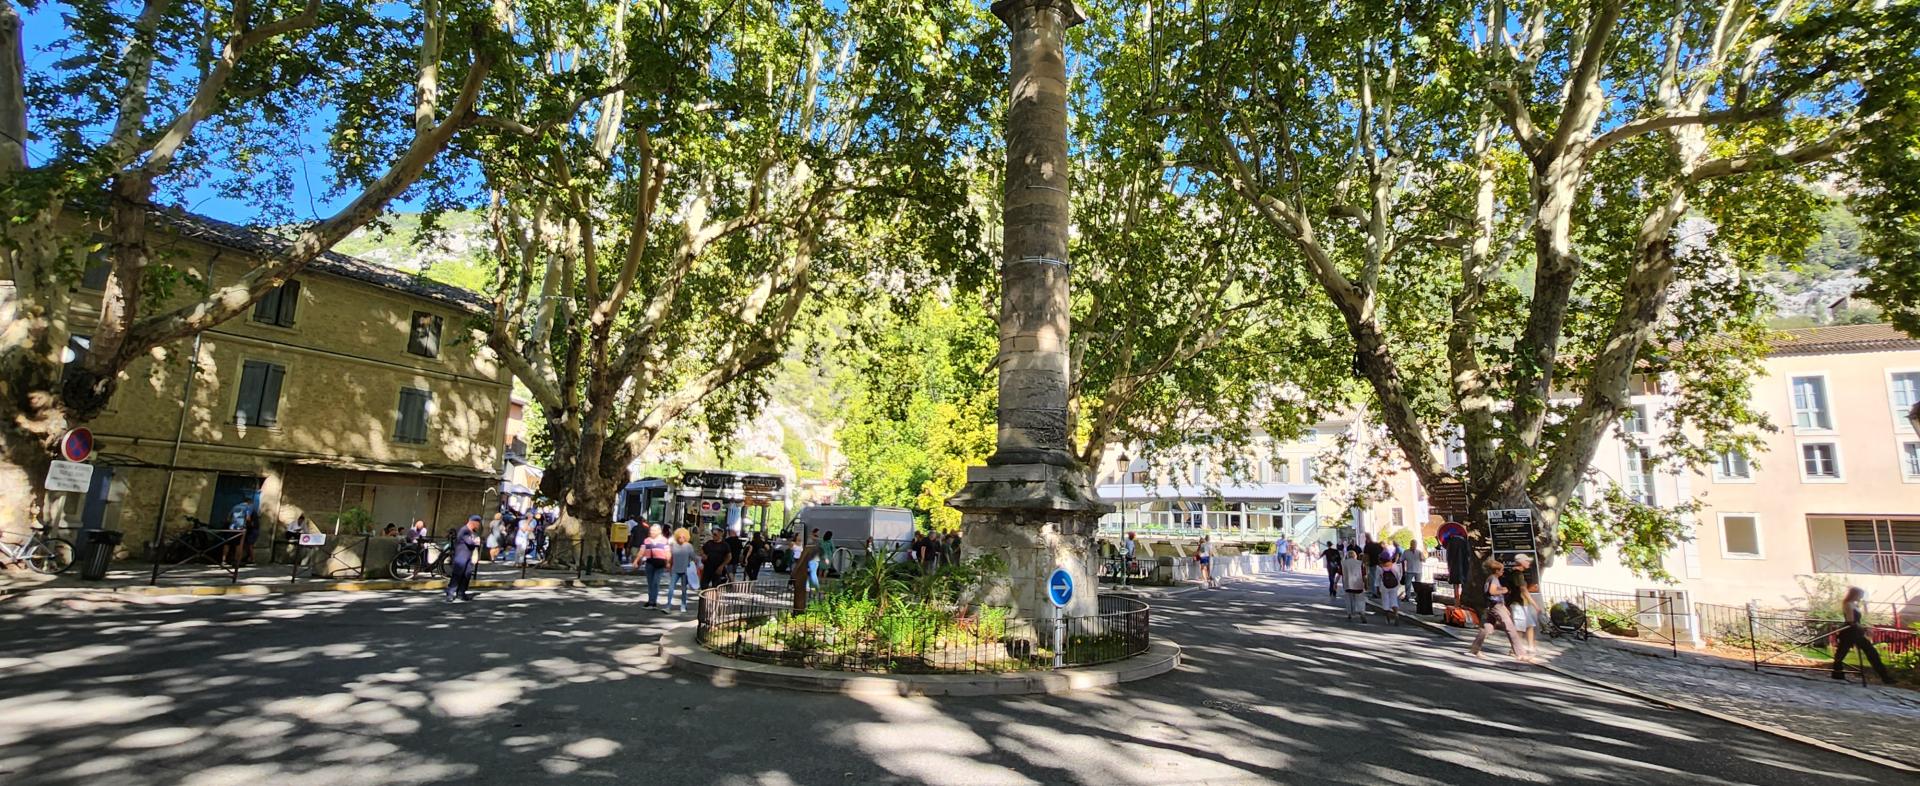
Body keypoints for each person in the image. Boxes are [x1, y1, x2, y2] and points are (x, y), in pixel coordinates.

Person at [1831, 586, 1895, 683]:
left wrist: (1864, 627)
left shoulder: (1854, 604)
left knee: (1870, 652)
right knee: (1843, 653)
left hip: (1855, 632)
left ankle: (1885, 677)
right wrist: (1864, 628)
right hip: (1850, 633)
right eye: (1860, 595)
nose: (1861, 597)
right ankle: (1837, 673)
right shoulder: (1848, 604)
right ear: (1855, 594)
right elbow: (1851, 621)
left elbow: (1856, 621)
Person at [1467, 558, 1526, 660]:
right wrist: (1503, 590)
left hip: (1493, 606)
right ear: (1497, 571)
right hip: (1496, 606)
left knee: (1487, 628)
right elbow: (1492, 591)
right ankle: (1520, 653)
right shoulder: (1493, 579)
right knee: (1510, 628)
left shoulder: (1491, 578)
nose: (1503, 572)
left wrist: (1504, 605)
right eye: (1502, 570)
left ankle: (1474, 649)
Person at [446, 515, 482, 602]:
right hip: (461, 556)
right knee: (457, 575)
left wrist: (476, 541)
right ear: (474, 522)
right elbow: (470, 542)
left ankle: (461, 593)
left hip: (468, 557)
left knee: (467, 575)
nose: (479, 525)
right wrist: (476, 541)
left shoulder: (472, 532)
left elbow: (475, 541)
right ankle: (450, 592)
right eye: (478, 523)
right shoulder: (464, 530)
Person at [639, 524, 671, 609]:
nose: (651, 532)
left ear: (659, 531)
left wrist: (668, 562)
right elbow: (642, 550)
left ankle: (653, 602)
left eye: (654, 530)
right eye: (651, 530)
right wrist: (637, 561)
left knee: (655, 582)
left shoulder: (664, 540)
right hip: (649, 563)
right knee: (650, 583)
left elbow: (667, 552)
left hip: (660, 564)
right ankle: (650, 600)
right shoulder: (647, 540)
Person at [668, 527, 699, 613]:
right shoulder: (673, 546)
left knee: (684, 589)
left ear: (686, 537)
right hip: (675, 569)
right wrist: (669, 567)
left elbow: (693, 557)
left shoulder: (689, 546)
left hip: (685, 571)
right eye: (679, 537)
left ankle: (683, 605)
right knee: (671, 588)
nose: (681, 538)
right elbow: (671, 558)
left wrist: (700, 560)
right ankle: (668, 606)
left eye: (683, 537)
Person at [222, 498, 254, 566]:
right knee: (239, 545)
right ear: (249, 502)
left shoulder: (235, 506)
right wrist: (250, 524)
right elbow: (248, 518)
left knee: (227, 543)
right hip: (240, 528)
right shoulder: (247, 507)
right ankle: (236, 561)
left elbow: (228, 518)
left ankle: (223, 560)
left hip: (231, 527)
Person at [1339, 547, 1368, 622]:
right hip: (1358, 584)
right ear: (1355, 556)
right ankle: (1362, 612)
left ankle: (1349, 613)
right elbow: (1364, 575)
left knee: (1348, 599)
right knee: (1360, 599)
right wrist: (1366, 584)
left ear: (1347, 556)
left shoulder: (1343, 563)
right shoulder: (1360, 563)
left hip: (1347, 584)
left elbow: (1339, 574)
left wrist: (1335, 583)